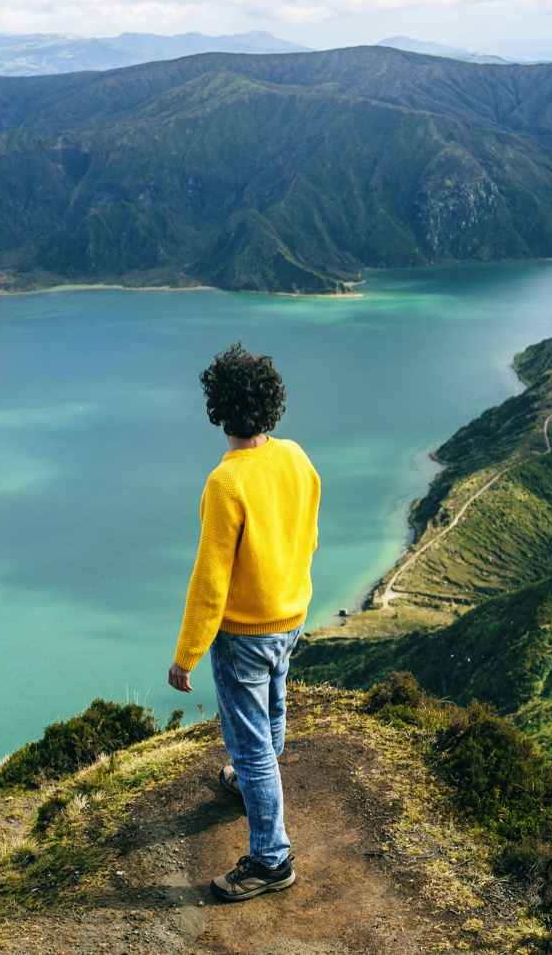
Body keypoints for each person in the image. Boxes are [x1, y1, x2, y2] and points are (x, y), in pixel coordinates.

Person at [168, 343, 321, 902]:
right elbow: (307, 534)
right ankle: (259, 788)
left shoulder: (225, 483)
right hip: (289, 617)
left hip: (243, 635)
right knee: (274, 706)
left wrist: (186, 655)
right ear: (272, 405)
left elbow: (209, 584)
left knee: (249, 744)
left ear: (218, 408)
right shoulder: (296, 458)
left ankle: (271, 859)